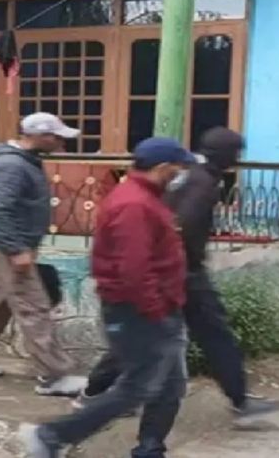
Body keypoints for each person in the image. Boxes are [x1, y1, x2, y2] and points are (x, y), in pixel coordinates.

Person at [73, 127, 279, 424]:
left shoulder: (190, 177)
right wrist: (176, 268)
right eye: (236, 154)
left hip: (175, 272)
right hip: (183, 273)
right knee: (212, 335)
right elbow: (181, 227)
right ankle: (238, 402)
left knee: (146, 339)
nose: (237, 160)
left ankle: (94, 394)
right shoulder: (201, 182)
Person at [21, 137, 195, 458]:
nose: (181, 174)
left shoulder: (145, 198)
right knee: (137, 388)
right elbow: (134, 269)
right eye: (178, 168)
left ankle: (149, 450)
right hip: (140, 312)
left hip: (157, 309)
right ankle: (53, 435)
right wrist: (155, 312)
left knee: (170, 386)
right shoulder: (135, 205)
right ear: (162, 168)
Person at [0, 112, 85, 396]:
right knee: (34, 307)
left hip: (14, 244)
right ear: (39, 136)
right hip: (12, 246)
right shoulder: (12, 165)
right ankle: (54, 375)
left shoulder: (24, 161)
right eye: (56, 137)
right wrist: (17, 250)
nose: (61, 142)